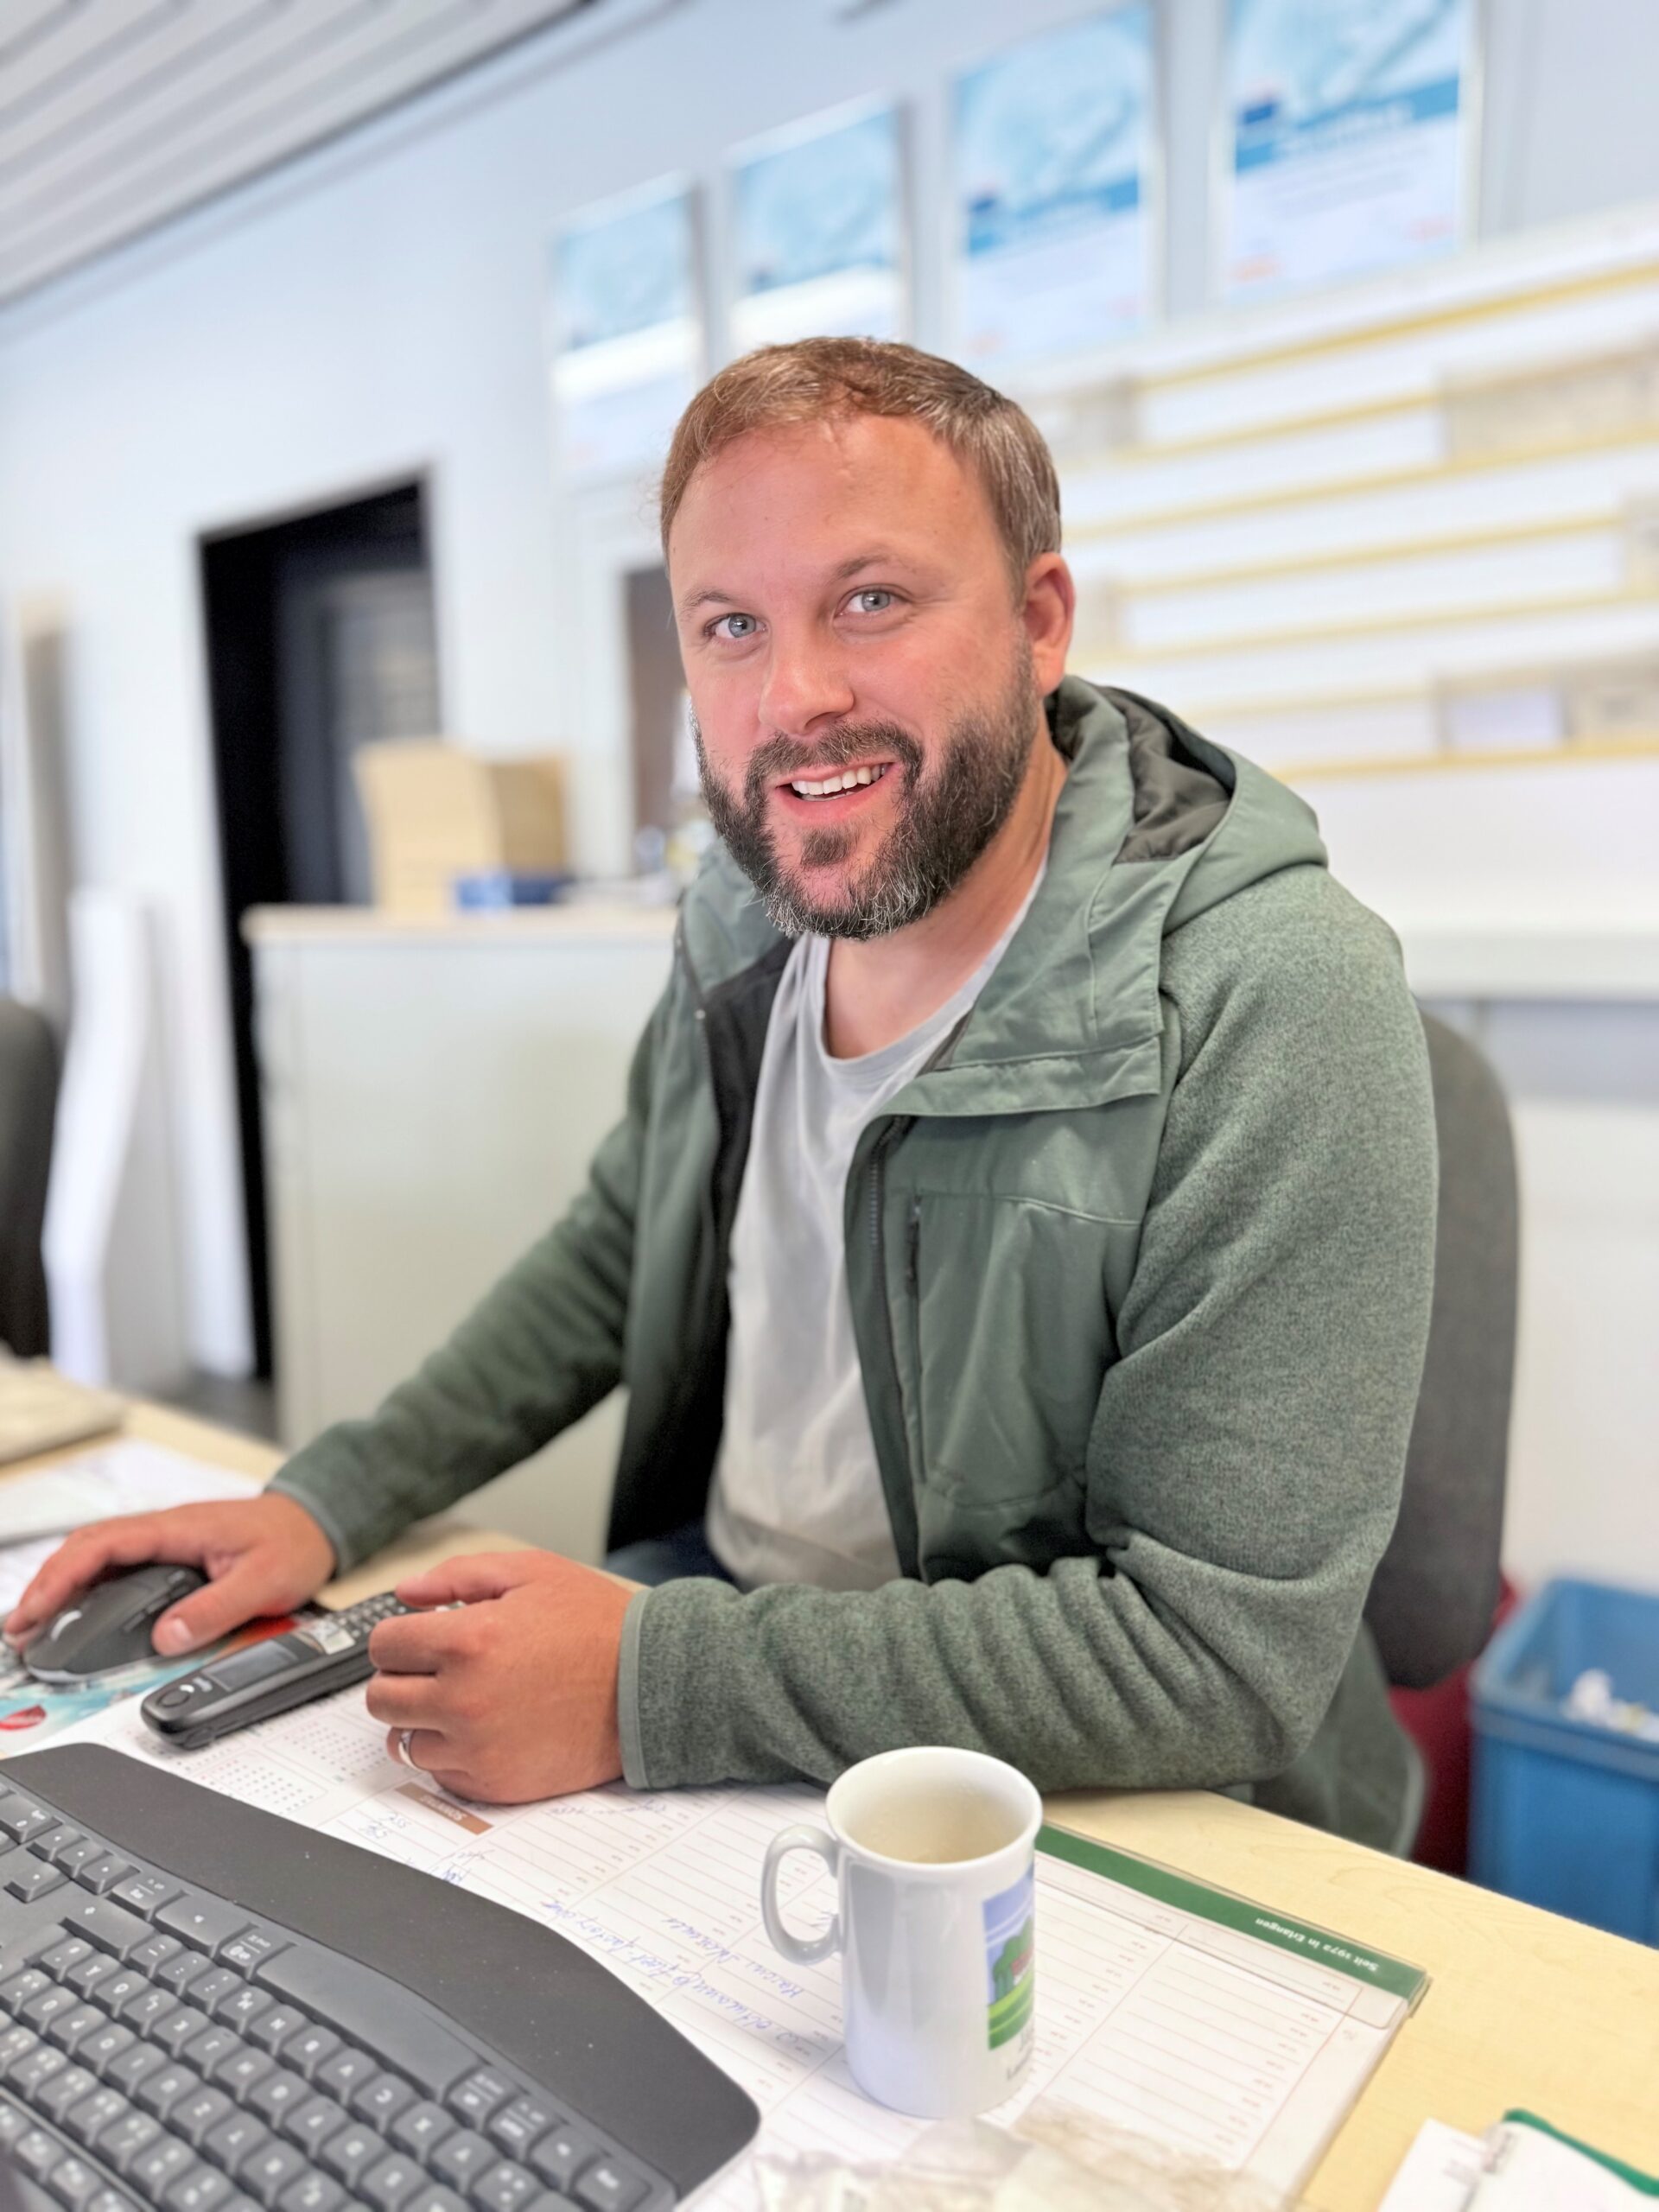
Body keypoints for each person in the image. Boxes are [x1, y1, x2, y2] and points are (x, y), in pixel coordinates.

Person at [7, 340, 1437, 1851]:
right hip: (742, 1642)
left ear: (1037, 622)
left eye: (870, 601)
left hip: (1100, 1795)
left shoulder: (1275, 997)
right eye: (731, 625)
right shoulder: (752, 911)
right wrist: (326, 1499)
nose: (794, 696)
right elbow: (622, 1243)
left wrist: (652, 1681)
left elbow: (1211, 1654)